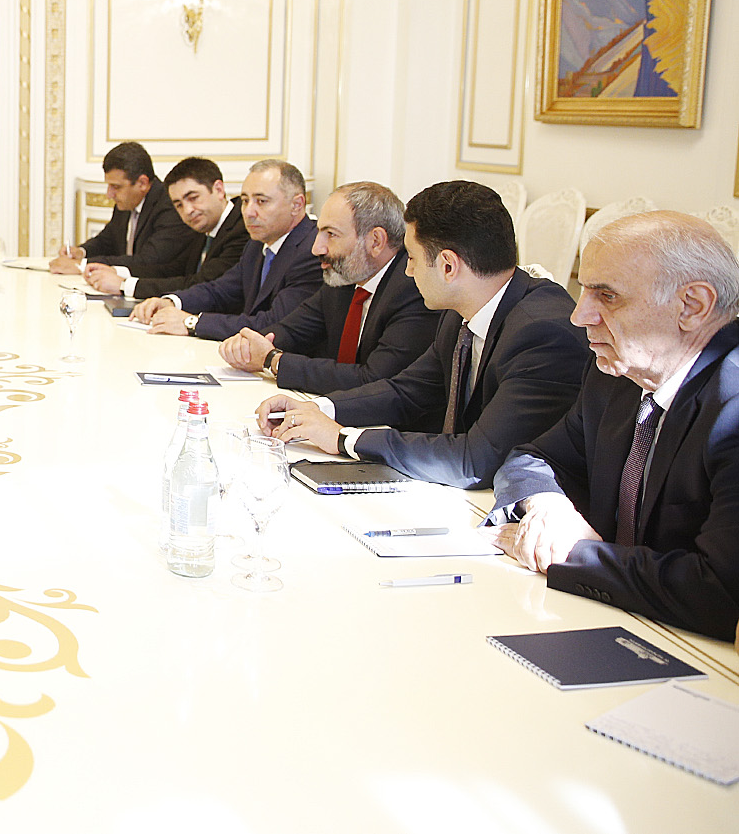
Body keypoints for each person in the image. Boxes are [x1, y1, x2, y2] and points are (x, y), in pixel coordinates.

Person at [483, 212, 739, 639]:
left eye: (607, 296)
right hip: (605, 619)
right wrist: (548, 506)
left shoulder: (732, 407)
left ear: (692, 306)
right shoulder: (616, 374)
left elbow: (718, 591)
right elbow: (533, 457)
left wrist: (572, 553)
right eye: (584, 290)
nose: (579, 315)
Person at [257, 180, 589, 488]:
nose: (408, 270)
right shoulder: (461, 310)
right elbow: (407, 391)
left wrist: (343, 439)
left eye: (413, 258)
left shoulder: (543, 333)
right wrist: (318, 410)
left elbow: (474, 460)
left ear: (448, 266)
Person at [220, 181, 440, 393]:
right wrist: (248, 345)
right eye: (319, 233)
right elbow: (292, 331)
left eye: (331, 234)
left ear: (376, 241)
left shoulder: (414, 288)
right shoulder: (343, 278)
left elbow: (374, 380)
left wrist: (274, 360)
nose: (317, 248)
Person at [131, 159, 323, 340]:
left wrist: (192, 323)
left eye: (261, 201)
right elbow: (220, 290)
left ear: (297, 205)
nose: (248, 212)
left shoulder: (312, 251)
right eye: (245, 201)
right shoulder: (257, 244)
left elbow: (274, 324)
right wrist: (172, 301)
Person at [84, 156, 249, 299]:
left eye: (193, 198)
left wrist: (125, 286)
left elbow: (202, 284)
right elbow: (175, 269)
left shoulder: (242, 228)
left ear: (219, 190)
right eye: (179, 205)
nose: (188, 210)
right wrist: (118, 272)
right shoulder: (202, 225)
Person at [48, 141, 191, 277]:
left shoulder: (170, 207)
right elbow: (107, 240)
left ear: (142, 183)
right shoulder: (127, 203)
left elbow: (147, 261)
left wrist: (82, 265)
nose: (109, 194)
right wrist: (81, 252)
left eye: (116, 187)